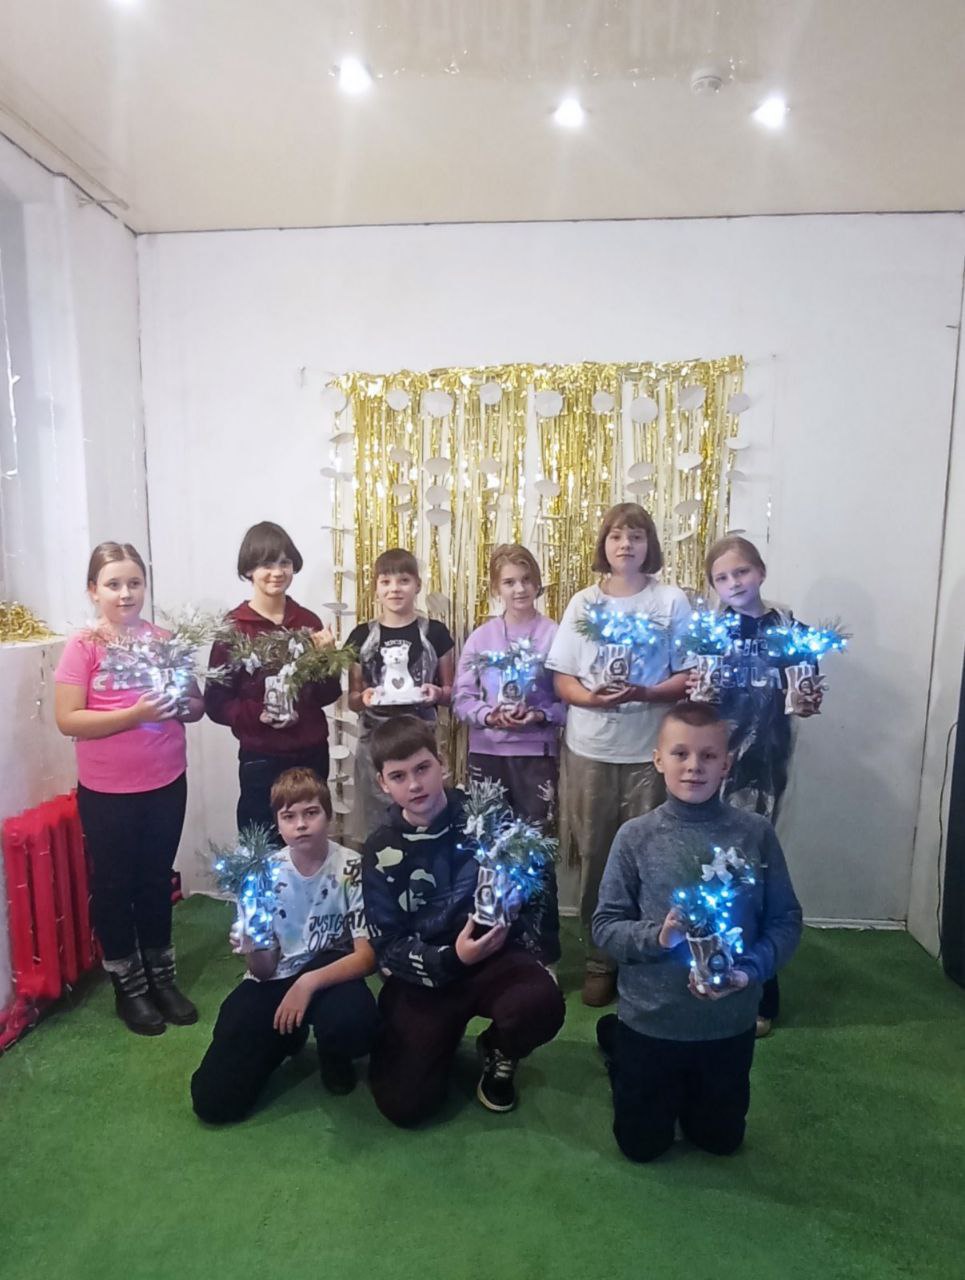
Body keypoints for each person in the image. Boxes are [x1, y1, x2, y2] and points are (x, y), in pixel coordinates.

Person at [593, 701, 802, 1163]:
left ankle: (627, 1049)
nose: (694, 766)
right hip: (653, 1020)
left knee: (720, 1141)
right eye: (681, 753)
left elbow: (785, 920)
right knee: (641, 1147)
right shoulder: (635, 837)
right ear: (658, 759)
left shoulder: (755, 834)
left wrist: (749, 972)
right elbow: (605, 927)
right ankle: (620, 1049)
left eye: (708, 756)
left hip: (727, 1024)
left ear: (727, 763)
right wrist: (660, 937)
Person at [360, 716, 565, 1126]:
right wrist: (452, 959)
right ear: (383, 783)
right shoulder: (380, 849)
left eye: (423, 768)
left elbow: (537, 873)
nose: (415, 785)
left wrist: (530, 924)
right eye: (399, 776)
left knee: (541, 1002)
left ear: (442, 763)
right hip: (428, 974)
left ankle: (499, 1049)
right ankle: (434, 1040)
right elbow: (388, 946)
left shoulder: (486, 816)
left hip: (494, 957)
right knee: (405, 1106)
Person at [546, 503, 693, 1008]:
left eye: (636, 535)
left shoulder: (670, 601)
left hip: (650, 752)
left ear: (649, 545)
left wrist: (645, 693)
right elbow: (562, 677)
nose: (625, 544)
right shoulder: (584, 602)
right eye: (615, 536)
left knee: (653, 855)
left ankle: (649, 956)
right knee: (596, 854)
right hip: (591, 749)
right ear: (603, 545)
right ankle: (600, 958)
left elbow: (688, 674)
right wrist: (593, 699)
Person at [54, 541, 203, 1035]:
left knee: (155, 880)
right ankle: (128, 986)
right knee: (116, 886)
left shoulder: (165, 640)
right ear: (93, 591)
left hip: (166, 782)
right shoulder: (84, 646)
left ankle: (162, 979)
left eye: (134, 583)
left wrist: (181, 705)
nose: (125, 593)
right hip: (107, 792)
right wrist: (135, 715)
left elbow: (196, 706)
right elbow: (68, 719)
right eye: (113, 584)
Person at [191, 768, 379, 1123]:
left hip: (329, 972)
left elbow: (366, 957)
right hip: (275, 978)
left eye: (311, 813)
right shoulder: (262, 874)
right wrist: (253, 946)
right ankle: (286, 1036)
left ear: (328, 815)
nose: (301, 825)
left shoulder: (351, 867)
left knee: (355, 1021)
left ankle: (334, 1054)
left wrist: (307, 983)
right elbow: (262, 971)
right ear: (277, 824)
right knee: (213, 1102)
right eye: (289, 816)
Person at [699, 534, 821, 1035]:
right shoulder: (709, 631)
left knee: (757, 870)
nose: (733, 583)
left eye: (741, 572)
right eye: (722, 577)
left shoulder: (788, 627)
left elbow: (804, 696)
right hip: (715, 765)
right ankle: (708, 970)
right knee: (711, 871)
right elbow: (700, 698)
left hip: (769, 765)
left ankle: (761, 988)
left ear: (761, 572)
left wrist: (808, 700)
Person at [452, 543, 564, 962]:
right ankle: (491, 942)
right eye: (509, 582)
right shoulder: (482, 637)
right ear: (495, 588)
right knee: (489, 847)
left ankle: (541, 950)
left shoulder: (555, 635)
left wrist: (539, 715)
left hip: (536, 756)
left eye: (526, 580)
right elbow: (462, 698)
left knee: (537, 851)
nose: (519, 589)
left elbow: (568, 701)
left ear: (538, 583)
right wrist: (488, 715)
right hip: (487, 755)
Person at [205, 521, 341, 837]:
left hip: (310, 754)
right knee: (260, 842)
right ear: (249, 570)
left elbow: (327, 694)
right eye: (267, 564)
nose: (277, 572)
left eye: (285, 562)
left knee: (309, 840)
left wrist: (328, 660)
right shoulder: (234, 628)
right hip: (261, 758)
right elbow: (215, 702)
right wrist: (258, 715)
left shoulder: (307, 622)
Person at [345, 548, 454, 844]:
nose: (394, 589)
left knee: (426, 823)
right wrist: (363, 697)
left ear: (417, 585)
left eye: (403, 580)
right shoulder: (360, 636)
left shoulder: (435, 633)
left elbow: (451, 693)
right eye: (386, 581)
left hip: (421, 739)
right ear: (376, 588)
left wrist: (437, 693)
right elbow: (352, 699)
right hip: (374, 744)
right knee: (377, 829)